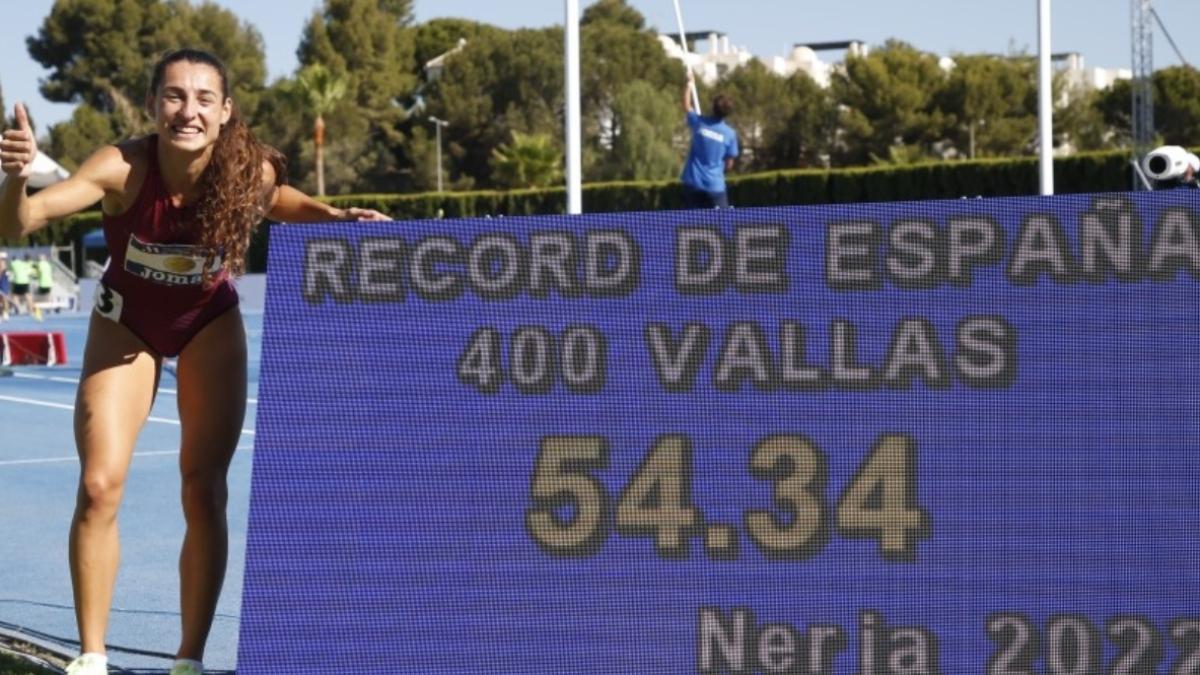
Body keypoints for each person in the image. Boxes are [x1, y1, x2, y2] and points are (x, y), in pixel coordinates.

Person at [0, 48, 388, 675]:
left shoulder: (244, 170)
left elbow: (277, 197)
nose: (189, 110)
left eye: (204, 98)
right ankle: (92, 656)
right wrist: (17, 176)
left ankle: (189, 660)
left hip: (209, 325)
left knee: (203, 491)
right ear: (153, 105)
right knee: (99, 488)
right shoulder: (120, 167)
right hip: (127, 326)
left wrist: (335, 216)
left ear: (225, 110)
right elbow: (20, 222)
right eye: (174, 96)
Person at [680, 70, 739, 209]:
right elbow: (729, 163)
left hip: (693, 182)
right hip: (715, 185)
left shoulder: (699, 123)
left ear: (713, 107)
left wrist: (689, 84)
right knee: (722, 224)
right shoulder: (730, 134)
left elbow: (686, 105)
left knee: (691, 225)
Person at [8, 253, 40, 320]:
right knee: (28, 295)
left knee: (15, 296)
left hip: (17, 281)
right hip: (25, 281)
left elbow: (10, 272)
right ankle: (31, 311)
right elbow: (30, 271)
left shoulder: (12, 263)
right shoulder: (23, 263)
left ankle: (18, 309)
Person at [0, 251, 11, 321]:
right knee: (3, 297)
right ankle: (4, 313)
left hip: (3, 280)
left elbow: (2, 270)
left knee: (4, 297)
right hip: (3, 280)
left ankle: (5, 313)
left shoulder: (3, 264)